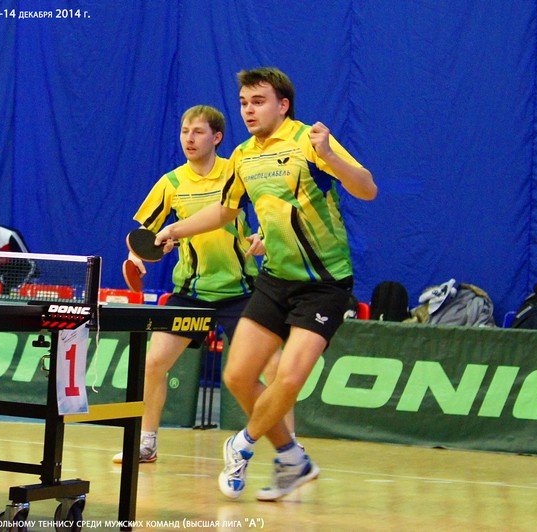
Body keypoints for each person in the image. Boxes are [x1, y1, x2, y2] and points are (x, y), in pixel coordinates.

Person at [154, 67, 377, 501]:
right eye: (243, 103)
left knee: (288, 378)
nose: (248, 110)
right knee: (238, 377)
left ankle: (243, 443)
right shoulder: (241, 156)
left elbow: (367, 188)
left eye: (258, 101)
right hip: (274, 280)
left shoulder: (309, 140)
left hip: (324, 283)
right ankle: (292, 460)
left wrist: (331, 157)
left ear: (283, 105)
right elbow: (225, 211)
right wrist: (176, 230)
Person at [113, 104, 294, 464]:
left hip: (242, 291)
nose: (189, 139)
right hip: (191, 293)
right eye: (184, 131)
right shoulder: (171, 183)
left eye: (197, 132)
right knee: (153, 363)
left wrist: (263, 235)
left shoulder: (236, 172)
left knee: (274, 366)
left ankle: (290, 447)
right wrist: (136, 258)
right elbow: (145, 235)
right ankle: (146, 442)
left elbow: (272, 211)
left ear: (217, 137)